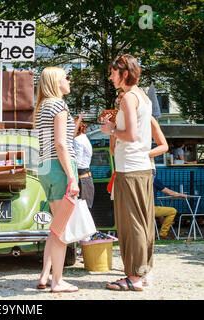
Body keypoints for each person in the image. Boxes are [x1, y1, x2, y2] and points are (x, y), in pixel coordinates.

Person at [100, 54, 154, 292]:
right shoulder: (143, 96)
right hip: (141, 166)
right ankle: (142, 272)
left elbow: (130, 135)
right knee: (143, 222)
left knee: (131, 223)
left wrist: (111, 129)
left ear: (124, 73)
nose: (110, 76)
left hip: (129, 168)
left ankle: (133, 276)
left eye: (113, 72)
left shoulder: (128, 98)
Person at [34, 67, 79, 293]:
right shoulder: (59, 105)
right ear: (56, 82)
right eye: (65, 77)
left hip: (45, 168)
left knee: (55, 227)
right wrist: (72, 176)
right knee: (61, 230)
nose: (68, 80)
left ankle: (45, 275)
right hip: (60, 168)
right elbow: (61, 144)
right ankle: (57, 281)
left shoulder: (42, 106)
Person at [73, 113, 94, 208]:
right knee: (85, 209)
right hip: (86, 178)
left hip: (81, 178)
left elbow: (77, 162)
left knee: (80, 208)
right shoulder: (84, 138)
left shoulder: (77, 140)